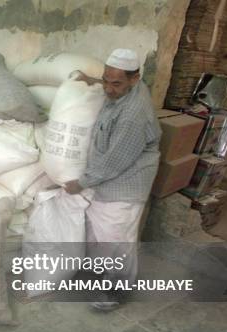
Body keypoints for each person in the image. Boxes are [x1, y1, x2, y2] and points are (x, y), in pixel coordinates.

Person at [63, 48, 161, 311]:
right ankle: (102, 274)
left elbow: (115, 160)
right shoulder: (128, 89)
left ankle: (118, 289)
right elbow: (110, 84)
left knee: (117, 238)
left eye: (115, 83)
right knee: (101, 233)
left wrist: (81, 182)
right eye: (106, 80)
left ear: (134, 79)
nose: (108, 88)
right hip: (108, 179)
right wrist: (92, 80)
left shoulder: (133, 115)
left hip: (126, 182)